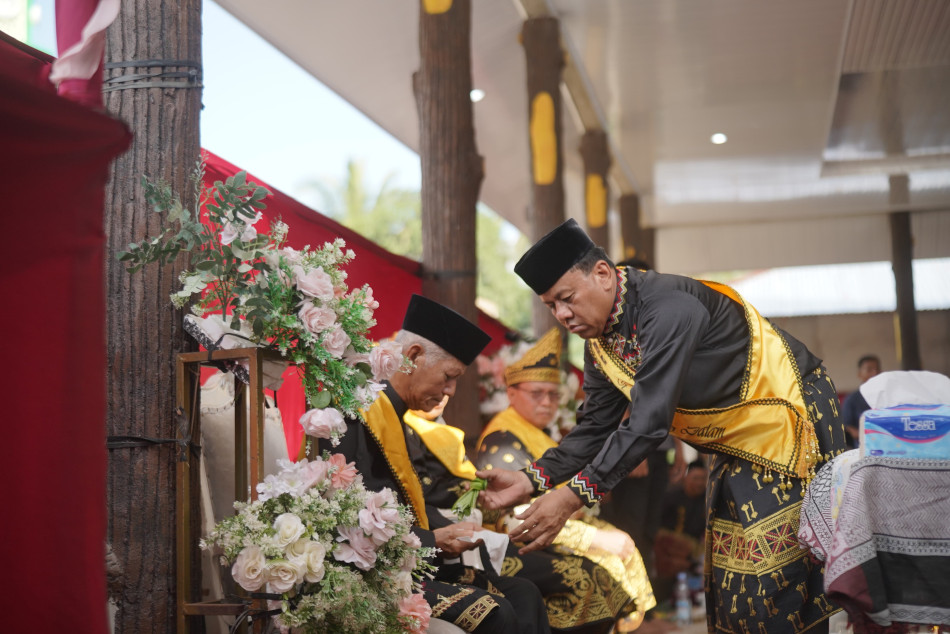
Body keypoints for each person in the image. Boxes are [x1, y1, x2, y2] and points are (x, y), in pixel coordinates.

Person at [476, 219, 849, 633]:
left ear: (601, 274)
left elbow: (648, 423)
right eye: (551, 306)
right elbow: (595, 427)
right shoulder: (602, 341)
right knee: (729, 576)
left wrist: (572, 497)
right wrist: (530, 480)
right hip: (737, 441)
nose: (562, 315)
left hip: (790, 422)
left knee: (775, 574)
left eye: (566, 298)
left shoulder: (669, 308)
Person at [319, 294, 550, 634]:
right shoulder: (358, 414)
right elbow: (349, 521)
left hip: (412, 557)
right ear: (413, 356)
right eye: (448, 377)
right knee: (494, 610)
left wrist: (444, 534)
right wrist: (434, 539)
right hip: (374, 573)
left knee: (524, 592)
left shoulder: (397, 416)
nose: (451, 391)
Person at [475, 327, 656, 632]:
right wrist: (591, 539)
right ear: (511, 393)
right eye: (537, 394)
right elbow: (513, 520)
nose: (547, 402)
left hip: (552, 532)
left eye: (553, 394)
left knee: (623, 546)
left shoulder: (537, 431)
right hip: (516, 543)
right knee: (600, 570)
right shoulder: (502, 439)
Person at [598, 257, 685, 596]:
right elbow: (618, 396)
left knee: (651, 525)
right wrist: (632, 453)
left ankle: (645, 605)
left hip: (658, 447)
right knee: (630, 527)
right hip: (634, 453)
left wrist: (677, 448)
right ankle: (628, 609)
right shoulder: (611, 331)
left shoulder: (653, 323)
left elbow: (668, 393)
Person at [653, 460, 708, 604]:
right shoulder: (671, 496)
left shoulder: (708, 500)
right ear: (686, 477)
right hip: (670, 547)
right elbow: (659, 527)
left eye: (703, 479)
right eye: (696, 478)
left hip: (697, 550)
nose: (699, 483)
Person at [840, 354, 881, 448]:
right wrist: (868, 437)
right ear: (859, 374)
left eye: (877, 369)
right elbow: (848, 427)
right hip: (863, 447)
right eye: (869, 370)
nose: (874, 374)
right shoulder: (852, 399)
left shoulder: (886, 397)